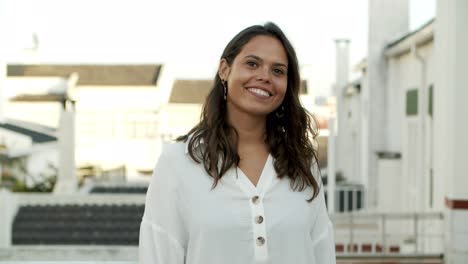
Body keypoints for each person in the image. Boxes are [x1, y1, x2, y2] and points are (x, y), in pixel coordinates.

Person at [139, 21, 336, 264]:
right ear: (224, 69)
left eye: (278, 71)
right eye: (252, 64)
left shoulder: (303, 164)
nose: (264, 76)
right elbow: (159, 255)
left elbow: (323, 253)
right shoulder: (178, 162)